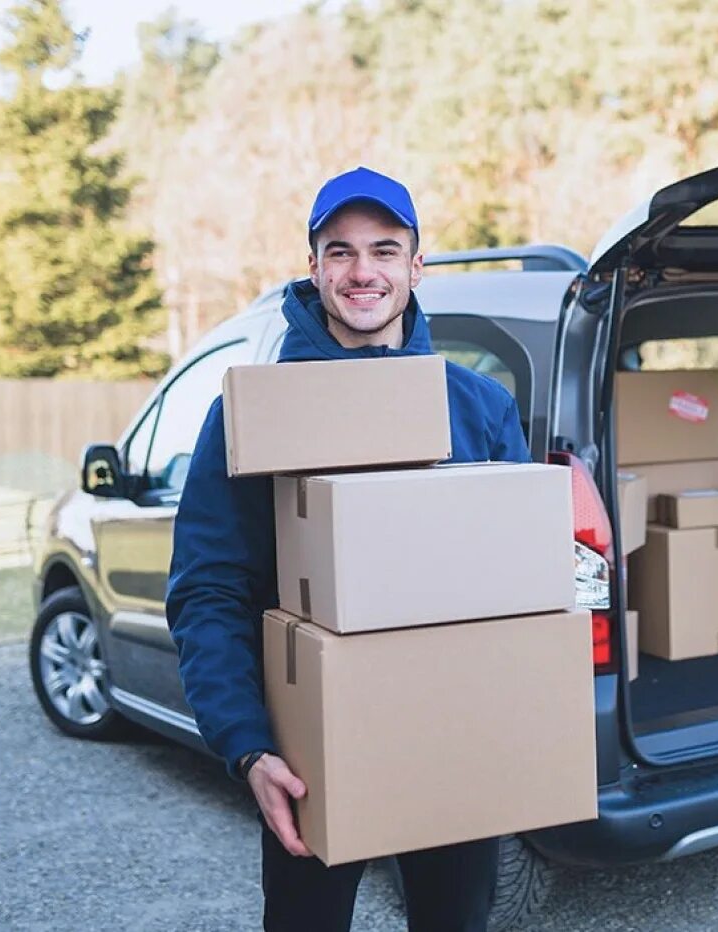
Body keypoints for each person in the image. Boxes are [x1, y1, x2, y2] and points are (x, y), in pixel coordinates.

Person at [166, 167, 529, 932]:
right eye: (341, 252)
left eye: (384, 250)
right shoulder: (251, 414)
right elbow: (208, 591)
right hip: (309, 754)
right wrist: (247, 746)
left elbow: (518, 592)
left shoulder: (480, 406)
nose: (363, 271)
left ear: (416, 266)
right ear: (314, 267)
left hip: (451, 739)